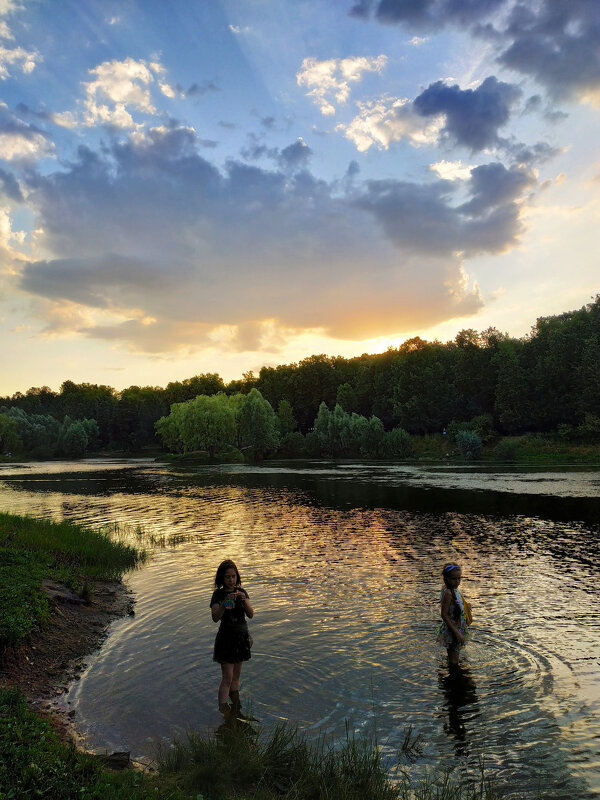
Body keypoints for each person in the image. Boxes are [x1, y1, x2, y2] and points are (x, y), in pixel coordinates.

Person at [210, 559, 254, 716]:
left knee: (236, 677)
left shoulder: (242, 593)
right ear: (222, 578)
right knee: (227, 677)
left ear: (237, 577)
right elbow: (215, 617)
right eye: (227, 577)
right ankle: (223, 709)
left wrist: (244, 602)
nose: (231, 580)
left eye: (233, 576)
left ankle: (236, 709)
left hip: (241, 638)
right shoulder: (218, 594)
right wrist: (224, 603)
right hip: (226, 639)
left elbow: (251, 614)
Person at [438, 563, 471, 666]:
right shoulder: (447, 593)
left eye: (459, 578)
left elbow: (454, 605)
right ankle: (454, 678)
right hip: (453, 630)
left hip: (456, 627)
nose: (457, 581)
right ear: (446, 578)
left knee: (454, 656)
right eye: (454, 579)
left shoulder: (453, 590)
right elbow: (444, 614)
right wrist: (457, 633)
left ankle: (450, 672)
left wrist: (466, 607)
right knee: (454, 662)